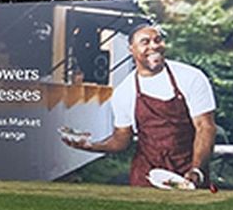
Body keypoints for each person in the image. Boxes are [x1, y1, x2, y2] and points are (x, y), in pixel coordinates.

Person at [62, 19, 217, 188]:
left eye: (158, 40)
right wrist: (90, 146)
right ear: (131, 50)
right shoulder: (124, 91)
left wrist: (197, 170)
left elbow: (205, 127)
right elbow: (121, 140)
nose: (154, 46)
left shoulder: (191, 77)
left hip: (188, 171)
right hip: (146, 174)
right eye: (145, 42)